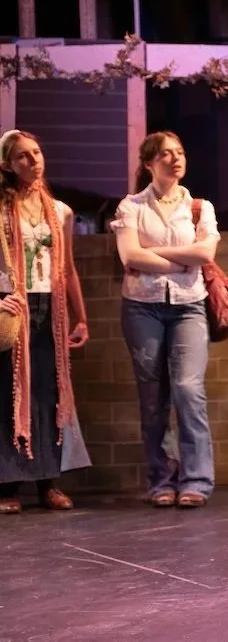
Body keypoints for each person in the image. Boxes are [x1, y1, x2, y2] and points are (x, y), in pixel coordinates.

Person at [111, 131, 219, 509]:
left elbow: (205, 254)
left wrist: (155, 253)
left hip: (189, 305)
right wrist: (181, 260)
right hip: (142, 306)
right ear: (149, 164)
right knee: (153, 399)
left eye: (180, 152)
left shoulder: (199, 207)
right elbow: (130, 256)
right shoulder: (131, 206)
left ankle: (197, 480)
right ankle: (161, 481)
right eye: (166, 154)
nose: (175, 159)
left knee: (188, 389)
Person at [0, 129, 91, 514]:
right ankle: (8, 484)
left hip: (49, 308)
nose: (32, 160)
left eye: (36, 153)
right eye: (22, 156)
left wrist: (81, 317)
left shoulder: (60, 211)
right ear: (7, 164)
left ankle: (48, 483)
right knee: (11, 393)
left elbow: (66, 268)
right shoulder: (1, 210)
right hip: (13, 307)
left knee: (48, 394)